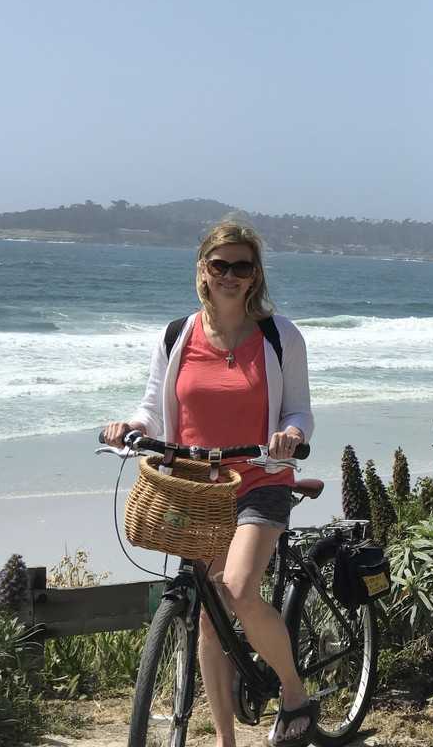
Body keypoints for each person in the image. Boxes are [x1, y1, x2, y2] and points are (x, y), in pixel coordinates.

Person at [103, 219, 315, 747]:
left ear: (254, 275)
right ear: (203, 270)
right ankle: (225, 740)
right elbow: (153, 406)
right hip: (195, 486)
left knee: (238, 588)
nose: (228, 275)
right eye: (218, 265)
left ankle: (293, 694)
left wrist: (289, 434)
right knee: (207, 619)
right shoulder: (177, 335)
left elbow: (300, 410)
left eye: (240, 266)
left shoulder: (279, 335)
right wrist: (133, 428)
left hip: (260, 478)